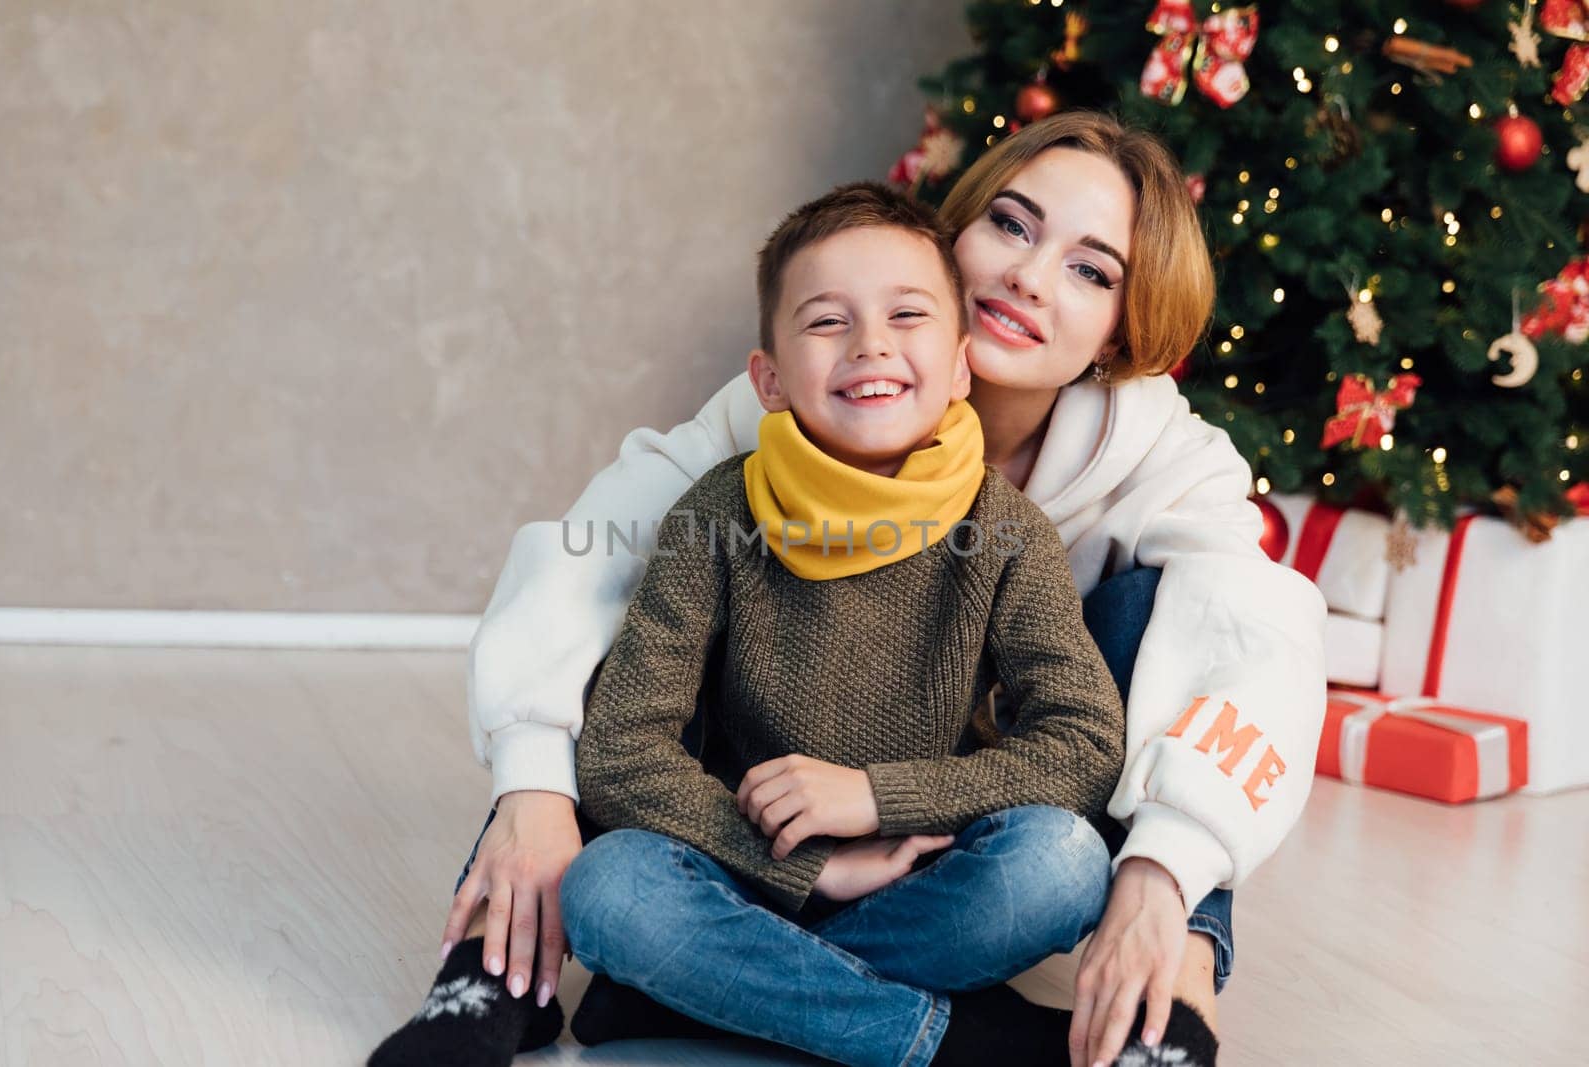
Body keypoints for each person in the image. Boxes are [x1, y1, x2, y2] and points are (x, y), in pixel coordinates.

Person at [371, 110, 1327, 1067]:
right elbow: (593, 554)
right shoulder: (800, 391)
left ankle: (1161, 992)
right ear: (955, 236)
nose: (1030, 276)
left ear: (1124, 328)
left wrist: (1168, 876)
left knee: (1174, 626)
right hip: (755, 807)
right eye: (1012, 224)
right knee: (644, 589)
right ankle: (497, 964)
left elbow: (1257, 652)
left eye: (1091, 269)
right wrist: (532, 779)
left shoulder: (1160, 460)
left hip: (959, 812)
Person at [556, 180, 1156, 1067]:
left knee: (1062, 862)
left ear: (959, 366)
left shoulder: (1004, 532)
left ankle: (711, 996)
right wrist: (805, 866)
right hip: (740, 873)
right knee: (608, 889)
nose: (870, 344)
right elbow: (619, 750)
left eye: (907, 315)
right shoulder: (716, 515)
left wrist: (877, 797)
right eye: (828, 322)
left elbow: (1084, 744)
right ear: (768, 378)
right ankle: (939, 1035)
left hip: (916, 878)